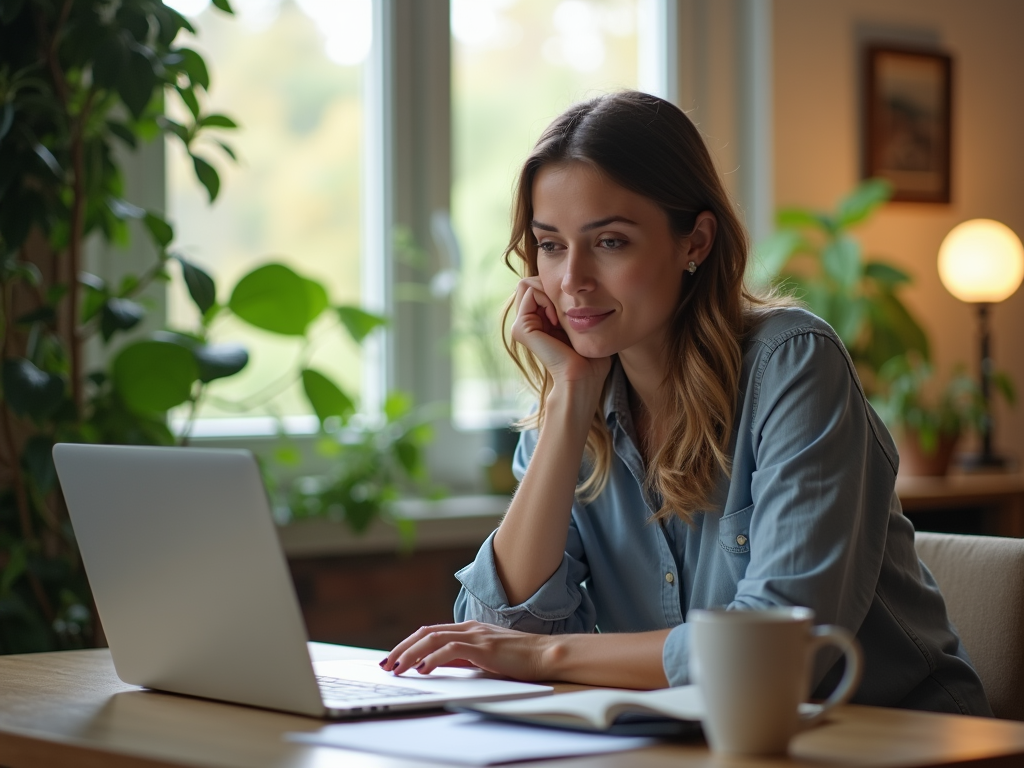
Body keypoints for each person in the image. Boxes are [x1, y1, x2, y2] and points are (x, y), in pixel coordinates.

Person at [380, 91, 990, 715]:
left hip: (892, 738)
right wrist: (569, 400)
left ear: (694, 241)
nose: (572, 282)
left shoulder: (792, 364)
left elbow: (775, 653)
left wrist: (544, 658)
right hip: (699, 744)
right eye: (551, 245)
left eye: (610, 242)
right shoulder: (574, 398)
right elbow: (493, 628)